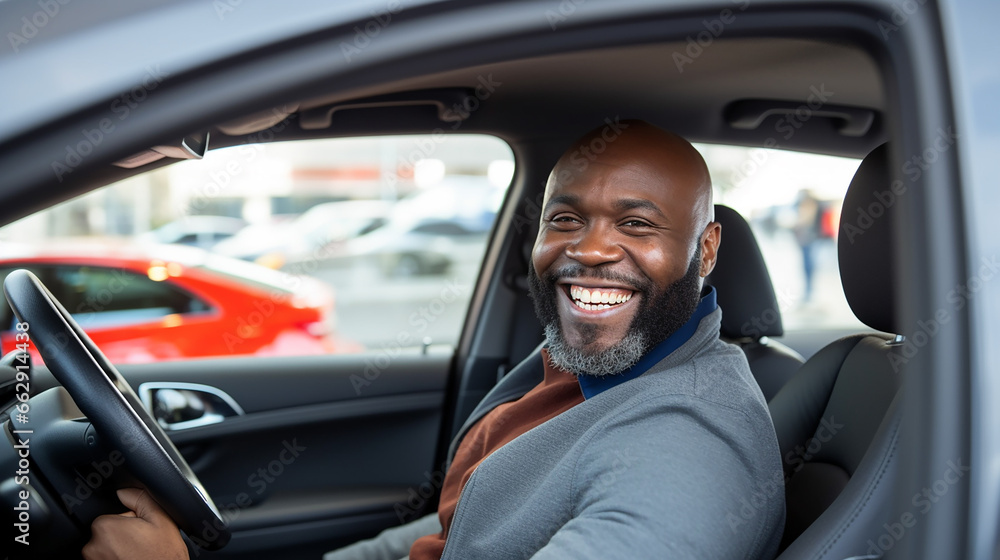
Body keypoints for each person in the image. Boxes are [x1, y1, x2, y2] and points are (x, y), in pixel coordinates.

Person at [83, 121, 785, 560]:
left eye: (637, 225)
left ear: (708, 247)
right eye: (566, 219)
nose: (591, 250)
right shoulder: (594, 366)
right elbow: (455, 531)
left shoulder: (689, 446)